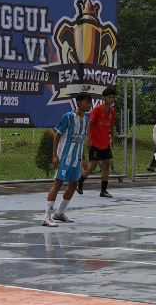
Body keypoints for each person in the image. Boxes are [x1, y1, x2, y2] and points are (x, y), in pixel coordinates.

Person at [42, 93, 92, 227]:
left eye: (90, 103)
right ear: (79, 103)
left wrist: (83, 158)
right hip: (65, 158)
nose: (89, 105)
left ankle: (59, 213)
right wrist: (54, 155)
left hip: (76, 159)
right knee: (57, 184)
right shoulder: (68, 117)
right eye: (87, 102)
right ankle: (46, 217)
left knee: (73, 184)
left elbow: (80, 141)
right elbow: (57, 135)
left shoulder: (85, 120)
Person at [78, 87, 117, 198]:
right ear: (104, 98)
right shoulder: (97, 110)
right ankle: (80, 182)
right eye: (109, 97)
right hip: (95, 142)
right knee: (93, 167)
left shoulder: (112, 111)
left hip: (105, 143)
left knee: (107, 164)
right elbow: (90, 124)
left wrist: (112, 138)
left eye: (113, 97)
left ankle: (103, 191)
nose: (111, 99)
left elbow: (111, 126)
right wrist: (88, 138)